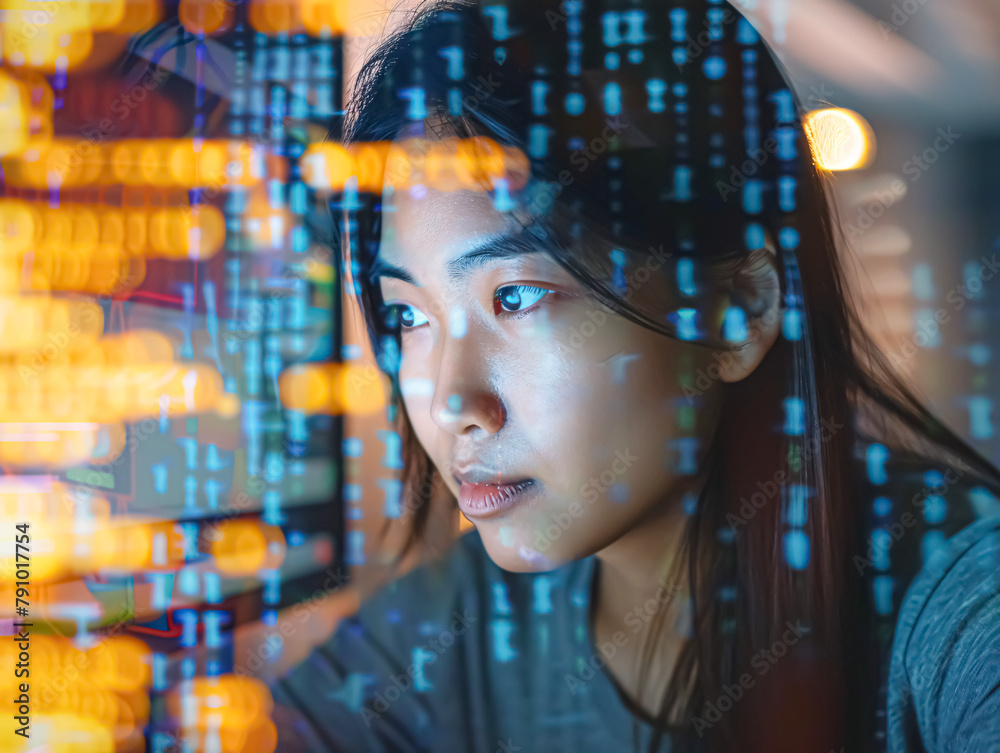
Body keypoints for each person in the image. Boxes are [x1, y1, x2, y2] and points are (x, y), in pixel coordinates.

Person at [268, 1, 1000, 751]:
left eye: (515, 296)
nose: (453, 401)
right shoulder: (454, 623)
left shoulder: (958, 600)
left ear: (737, 312)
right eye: (408, 315)